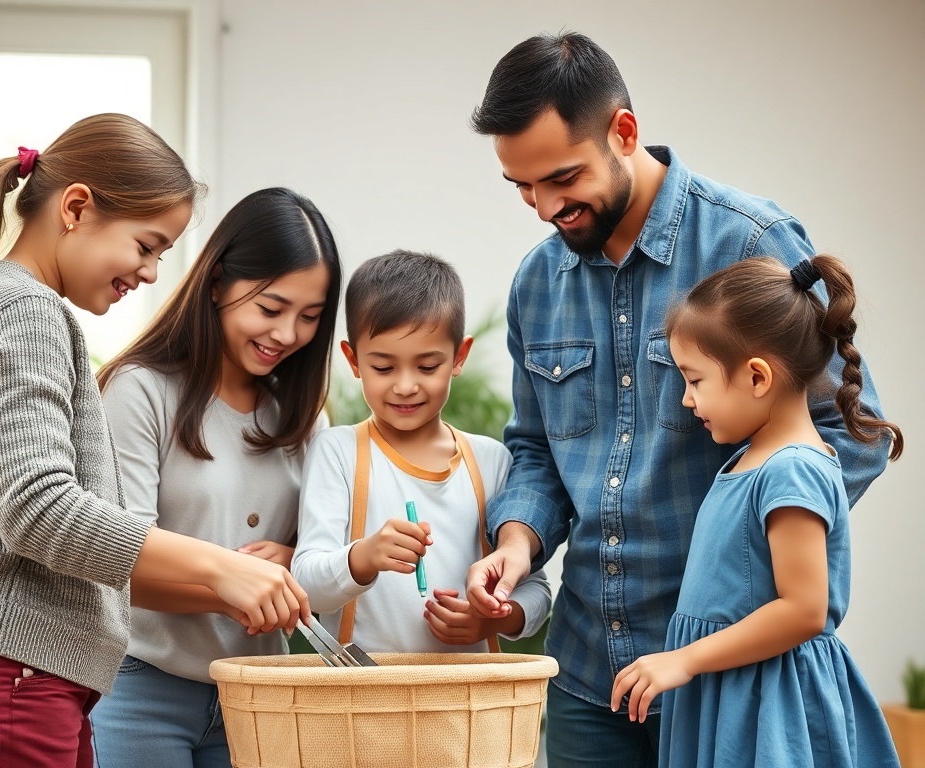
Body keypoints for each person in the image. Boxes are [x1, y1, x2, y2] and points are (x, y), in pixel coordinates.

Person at [463, 32, 892, 767]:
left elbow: (850, 433)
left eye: (562, 179)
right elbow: (535, 451)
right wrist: (516, 544)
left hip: (730, 680)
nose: (543, 208)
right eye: (523, 188)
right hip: (588, 673)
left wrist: (747, 563)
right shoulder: (537, 284)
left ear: (623, 132)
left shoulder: (750, 241)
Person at [0, 114, 309, 768]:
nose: (150, 273)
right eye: (146, 245)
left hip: (3, 669)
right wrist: (221, 568)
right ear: (76, 207)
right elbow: (36, 507)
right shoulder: (24, 310)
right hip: (6, 669)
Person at [610, 255, 902, 766]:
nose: (686, 399)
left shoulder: (793, 471)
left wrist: (684, 659)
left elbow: (804, 610)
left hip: (769, 706)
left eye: (695, 381)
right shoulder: (749, 460)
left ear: (757, 377)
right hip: (731, 694)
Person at [88, 187, 342, 768]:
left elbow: (323, 548)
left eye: (310, 317)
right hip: (142, 687)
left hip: (260, 693)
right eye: (270, 308)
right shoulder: (140, 391)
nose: (287, 334)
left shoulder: (304, 417)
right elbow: (114, 566)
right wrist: (233, 588)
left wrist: (294, 556)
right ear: (217, 282)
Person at [292, 251, 551, 654]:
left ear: (458, 358)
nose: (406, 386)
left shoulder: (491, 460)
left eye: (428, 366)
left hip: (467, 706)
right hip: (365, 704)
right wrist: (366, 555)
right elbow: (307, 583)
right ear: (353, 360)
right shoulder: (337, 451)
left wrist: (495, 615)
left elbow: (535, 588)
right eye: (384, 368)